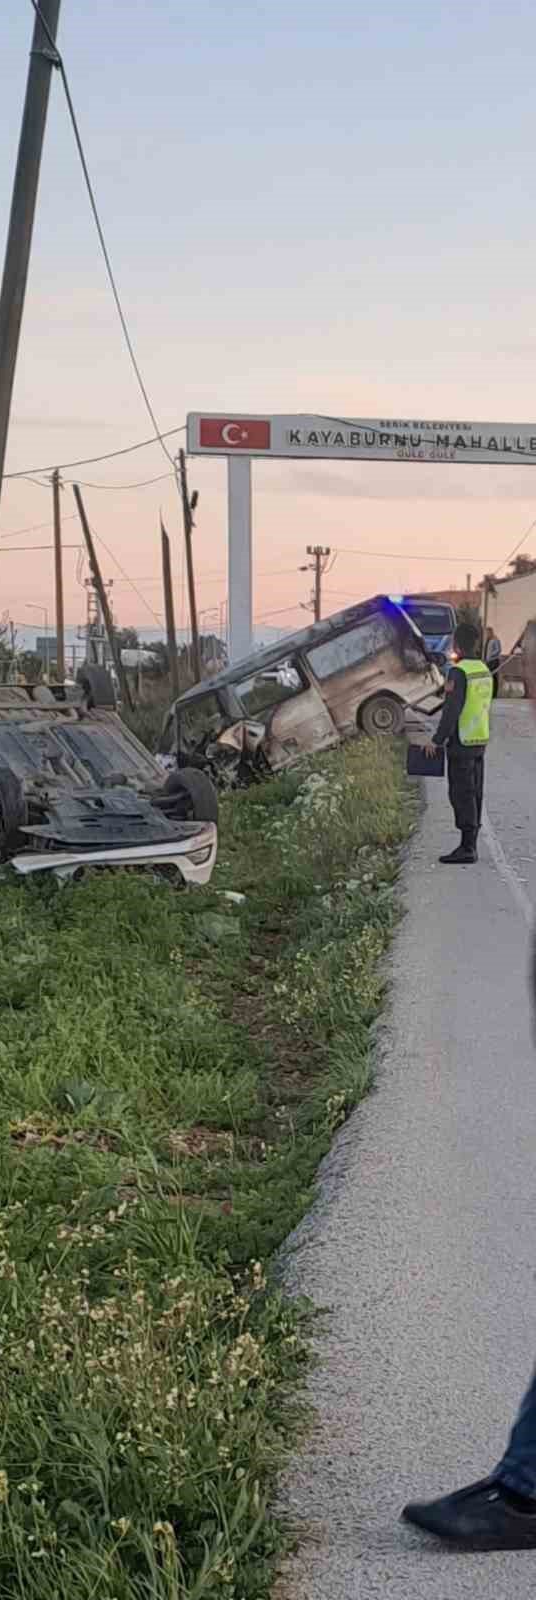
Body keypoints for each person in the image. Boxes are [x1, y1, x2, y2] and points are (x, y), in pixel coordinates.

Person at [403, 623, 536, 1550]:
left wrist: (444, 732)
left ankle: (525, 1494)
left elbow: (454, 708)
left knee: (464, 805)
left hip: (470, 751)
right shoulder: (483, 671)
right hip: (478, 746)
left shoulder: (467, 675)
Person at [424, 621, 493, 865]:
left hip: (462, 741)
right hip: (479, 740)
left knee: (461, 793)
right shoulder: (483, 669)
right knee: (474, 792)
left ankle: (467, 848)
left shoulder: (458, 672)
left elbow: (452, 710)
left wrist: (437, 740)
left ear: (457, 643)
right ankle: (470, 843)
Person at [485, 625, 502, 698]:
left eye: (487, 632)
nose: (486, 634)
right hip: (489, 661)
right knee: (490, 676)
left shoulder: (495, 640)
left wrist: (491, 655)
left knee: (494, 676)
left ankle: (494, 693)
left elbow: (498, 650)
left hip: (494, 660)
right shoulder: (488, 640)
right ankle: (490, 692)